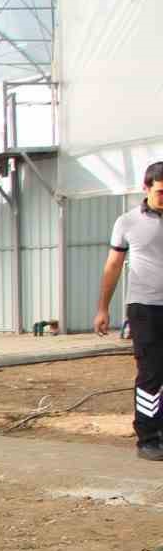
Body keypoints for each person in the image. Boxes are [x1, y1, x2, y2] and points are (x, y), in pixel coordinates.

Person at [94, 160, 163, 461]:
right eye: (161, 192)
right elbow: (113, 266)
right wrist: (102, 308)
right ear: (146, 188)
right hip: (145, 308)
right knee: (151, 373)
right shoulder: (127, 222)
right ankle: (147, 438)